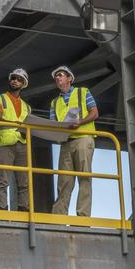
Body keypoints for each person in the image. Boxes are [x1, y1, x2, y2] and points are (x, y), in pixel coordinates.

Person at [49, 65, 98, 217]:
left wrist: (80, 122)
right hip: (66, 143)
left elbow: (94, 113)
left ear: (69, 78)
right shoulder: (54, 102)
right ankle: (59, 217)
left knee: (84, 178)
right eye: (56, 76)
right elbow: (53, 125)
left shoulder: (83, 92)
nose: (57, 78)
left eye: (60, 75)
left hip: (83, 138)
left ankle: (83, 216)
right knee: (64, 182)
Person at [0, 68, 30, 213]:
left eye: (19, 79)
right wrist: (16, 124)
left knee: (24, 182)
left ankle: (24, 212)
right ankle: (2, 212)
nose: (15, 81)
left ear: (23, 84)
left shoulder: (27, 107)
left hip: (22, 144)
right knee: (3, 181)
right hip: (5, 144)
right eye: (13, 78)